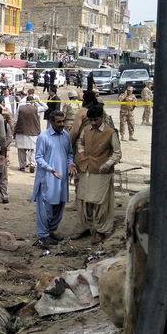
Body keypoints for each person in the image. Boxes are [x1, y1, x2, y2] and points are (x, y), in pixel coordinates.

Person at [70, 103, 122, 244]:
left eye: (96, 120)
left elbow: (117, 153)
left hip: (101, 172)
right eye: (91, 120)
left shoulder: (110, 132)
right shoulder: (86, 129)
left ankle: (100, 230)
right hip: (85, 169)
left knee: (100, 202)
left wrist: (108, 164)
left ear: (102, 117)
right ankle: (84, 227)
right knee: (82, 199)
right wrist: (81, 154)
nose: (93, 123)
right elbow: (80, 143)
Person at [32, 110, 76, 248]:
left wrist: (71, 165)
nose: (62, 124)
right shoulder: (43, 137)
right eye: (59, 122)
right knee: (45, 209)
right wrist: (51, 169)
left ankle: (51, 232)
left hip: (61, 178)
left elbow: (69, 154)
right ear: (51, 122)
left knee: (59, 206)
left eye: (63, 121)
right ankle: (43, 235)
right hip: (47, 179)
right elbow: (38, 157)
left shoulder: (66, 136)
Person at [14, 95, 43, 172]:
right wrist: (39, 101)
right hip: (33, 133)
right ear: (33, 102)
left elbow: (15, 120)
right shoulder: (36, 109)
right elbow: (46, 107)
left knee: (21, 150)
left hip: (21, 131)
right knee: (33, 150)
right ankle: (33, 163)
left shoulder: (20, 108)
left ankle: (22, 166)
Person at [0, 96, 13, 203]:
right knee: (1, 177)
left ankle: (0, 196)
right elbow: (9, 138)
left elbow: (9, 138)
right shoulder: (4, 124)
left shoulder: (4, 125)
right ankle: (1, 195)